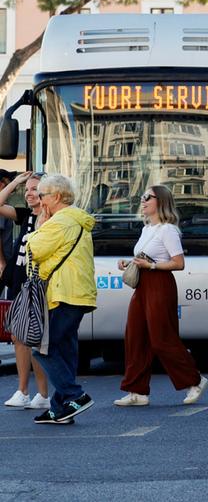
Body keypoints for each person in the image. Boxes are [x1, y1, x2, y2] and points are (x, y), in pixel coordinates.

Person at [114, 185, 207, 407]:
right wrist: (129, 262)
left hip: (159, 284)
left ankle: (195, 380)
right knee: (135, 336)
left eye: (148, 197)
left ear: (161, 201)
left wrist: (152, 266)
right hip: (143, 284)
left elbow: (179, 263)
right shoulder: (147, 229)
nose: (143, 200)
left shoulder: (168, 230)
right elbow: (145, 257)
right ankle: (137, 391)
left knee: (161, 338)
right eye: (142, 197)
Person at [27, 174, 96, 424]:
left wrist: (41, 226)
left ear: (56, 196)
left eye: (42, 195)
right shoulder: (73, 218)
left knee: (44, 349)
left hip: (64, 293)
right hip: (74, 292)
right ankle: (60, 408)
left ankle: (76, 395)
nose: (40, 200)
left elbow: (33, 249)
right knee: (65, 350)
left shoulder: (61, 221)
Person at [1, 172, 51, 410]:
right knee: (17, 336)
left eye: (34, 189)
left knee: (33, 337)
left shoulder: (51, 218)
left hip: (37, 283)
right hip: (19, 281)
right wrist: (15, 183)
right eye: (27, 189)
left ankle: (41, 393)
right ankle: (24, 391)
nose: (29, 193)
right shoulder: (25, 215)